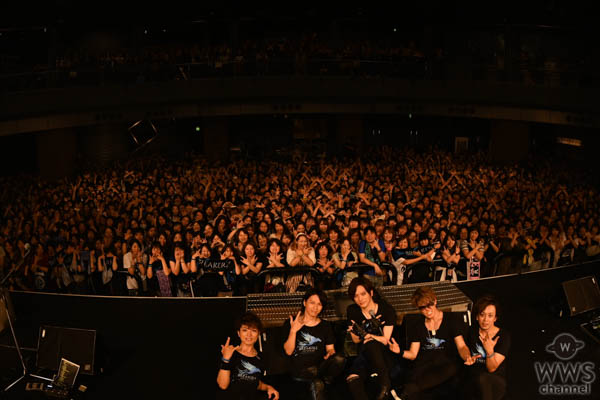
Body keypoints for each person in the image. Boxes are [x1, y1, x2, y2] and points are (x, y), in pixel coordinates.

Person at [388, 286, 471, 399]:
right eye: (423, 307)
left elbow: (461, 346)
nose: (427, 309)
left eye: (429, 304)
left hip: (445, 365)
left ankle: (405, 390)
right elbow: (413, 354)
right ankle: (408, 390)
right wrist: (399, 351)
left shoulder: (451, 320)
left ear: (435, 301)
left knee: (452, 367)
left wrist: (467, 356)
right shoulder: (418, 325)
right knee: (418, 382)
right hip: (425, 366)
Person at [283, 288, 345, 400]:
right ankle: (322, 380)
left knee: (340, 359)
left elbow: (331, 349)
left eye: (319, 304)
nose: (315, 307)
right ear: (304, 302)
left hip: (320, 367)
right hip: (301, 371)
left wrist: (330, 354)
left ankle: (326, 378)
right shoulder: (291, 322)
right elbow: (288, 351)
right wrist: (293, 331)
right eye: (312, 302)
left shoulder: (325, 325)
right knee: (317, 383)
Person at [345, 277, 396, 400]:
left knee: (371, 343)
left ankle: (386, 386)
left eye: (363, 294)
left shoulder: (386, 309)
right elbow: (356, 340)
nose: (360, 299)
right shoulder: (352, 311)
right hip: (364, 352)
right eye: (356, 296)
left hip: (384, 352)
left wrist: (368, 335)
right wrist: (360, 331)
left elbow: (385, 340)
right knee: (352, 378)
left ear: (371, 293)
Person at [217, 312, 279, 400]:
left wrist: (268, 387)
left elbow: (254, 382)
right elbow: (222, 385)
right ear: (238, 333)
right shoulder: (229, 353)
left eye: (253, 331)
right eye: (245, 330)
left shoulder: (261, 358)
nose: (249, 335)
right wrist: (225, 359)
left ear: (258, 334)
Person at [463, 295, 510, 400]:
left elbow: (492, 369)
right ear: (477, 317)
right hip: (474, 378)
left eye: (490, 315)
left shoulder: (503, 336)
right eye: (482, 315)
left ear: (495, 318)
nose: (485, 320)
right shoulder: (471, 331)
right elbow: (463, 348)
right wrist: (467, 356)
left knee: (484, 379)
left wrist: (489, 351)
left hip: (495, 380)